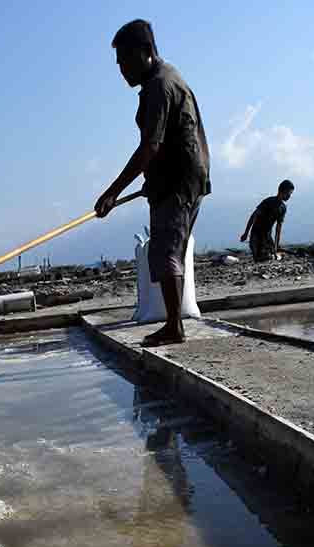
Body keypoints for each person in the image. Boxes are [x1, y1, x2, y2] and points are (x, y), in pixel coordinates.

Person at [94, 19, 211, 346]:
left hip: (177, 179)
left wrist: (112, 192)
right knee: (168, 247)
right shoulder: (168, 78)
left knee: (165, 251)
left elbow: (150, 146)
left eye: (126, 61)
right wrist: (153, 178)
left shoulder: (160, 86)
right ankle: (174, 323)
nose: (122, 70)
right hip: (180, 176)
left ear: (146, 52)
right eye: (119, 64)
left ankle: (174, 326)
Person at [240, 181, 294, 262]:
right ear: (283, 191)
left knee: (270, 257)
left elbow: (278, 229)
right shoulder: (268, 202)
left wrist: (276, 246)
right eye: (289, 193)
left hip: (267, 237)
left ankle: (275, 254)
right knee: (260, 258)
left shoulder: (283, 208)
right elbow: (254, 216)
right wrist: (246, 233)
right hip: (256, 235)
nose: (290, 196)